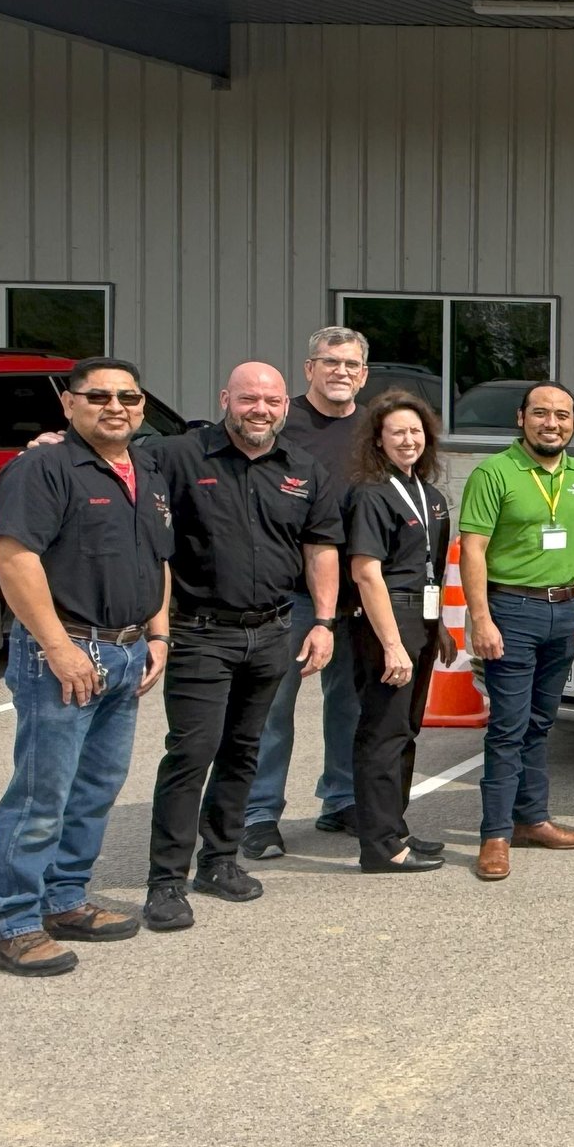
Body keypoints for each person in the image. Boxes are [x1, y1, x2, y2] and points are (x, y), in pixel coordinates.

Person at [0, 360, 173, 975]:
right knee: (42, 796)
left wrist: (159, 634)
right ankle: (11, 923)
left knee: (94, 791)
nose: (115, 406)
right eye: (99, 397)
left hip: (126, 652)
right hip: (65, 654)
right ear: (69, 405)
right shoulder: (42, 467)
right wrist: (59, 647)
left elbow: (159, 557)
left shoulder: (146, 469)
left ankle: (64, 900)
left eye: (129, 396)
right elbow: (13, 559)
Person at [138, 363, 342, 931]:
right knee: (191, 753)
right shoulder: (177, 456)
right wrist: (53, 444)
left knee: (243, 750)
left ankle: (220, 861)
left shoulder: (304, 469)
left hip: (275, 631)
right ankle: (166, 882)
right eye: (249, 398)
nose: (260, 410)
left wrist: (322, 621)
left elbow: (321, 548)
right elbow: (114, 468)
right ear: (226, 397)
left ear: (285, 405)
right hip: (201, 633)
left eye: (272, 401)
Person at [458, 383, 574, 881]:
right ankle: (494, 834)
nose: (552, 423)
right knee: (508, 727)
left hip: (563, 612)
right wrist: (480, 619)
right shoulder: (493, 473)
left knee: (541, 724)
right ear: (521, 419)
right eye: (541, 413)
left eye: (562, 415)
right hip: (511, 611)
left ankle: (532, 820)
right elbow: (472, 549)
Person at [246, 326, 370, 857]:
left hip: (357, 594)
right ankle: (257, 813)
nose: (340, 371)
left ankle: (341, 799)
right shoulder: (280, 420)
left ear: (363, 374)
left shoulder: (374, 427)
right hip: (288, 594)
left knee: (349, 704)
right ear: (308, 369)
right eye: (330, 361)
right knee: (272, 708)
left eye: (350, 364)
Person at [341, 391, 455, 873]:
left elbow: (432, 569)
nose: (408, 440)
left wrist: (442, 627)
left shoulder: (430, 496)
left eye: (415, 431)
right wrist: (392, 644)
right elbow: (367, 572)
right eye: (397, 433)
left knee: (405, 730)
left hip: (422, 620)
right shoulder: (370, 493)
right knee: (383, 733)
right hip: (388, 620)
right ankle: (380, 845)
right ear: (379, 441)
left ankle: (396, 828)